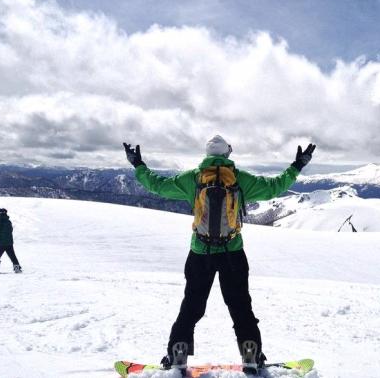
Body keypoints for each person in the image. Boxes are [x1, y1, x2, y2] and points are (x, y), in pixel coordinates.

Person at [123, 135, 315, 374]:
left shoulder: (192, 178)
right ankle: (252, 357)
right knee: (240, 306)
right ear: (227, 154)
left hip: (200, 252)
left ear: (206, 155)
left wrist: (138, 165)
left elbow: (158, 185)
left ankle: (177, 357)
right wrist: (297, 165)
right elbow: (273, 187)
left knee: (191, 306)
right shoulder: (239, 179)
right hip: (232, 253)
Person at [0, 208, 22, 273]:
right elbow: (10, 231)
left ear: (0, 214)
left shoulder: (1, 222)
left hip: (1, 244)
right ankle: (17, 268)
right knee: (12, 256)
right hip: (9, 243)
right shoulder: (9, 222)